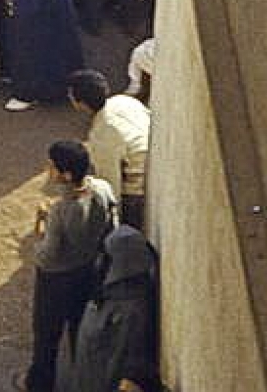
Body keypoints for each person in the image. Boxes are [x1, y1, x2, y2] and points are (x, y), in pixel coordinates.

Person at [17, 140, 117, 392]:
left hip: (56, 280)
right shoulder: (102, 189)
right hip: (88, 270)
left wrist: (40, 229)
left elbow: (47, 256)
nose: (48, 170)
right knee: (79, 330)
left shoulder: (61, 211)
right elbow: (111, 226)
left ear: (67, 175)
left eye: (53, 166)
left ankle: (39, 383)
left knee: (47, 336)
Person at [70, 225, 160, 392]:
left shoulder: (132, 310)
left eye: (107, 258)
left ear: (123, 261)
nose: (101, 262)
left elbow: (127, 367)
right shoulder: (109, 293)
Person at [68, 69, 149, 230]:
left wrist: (111, 223)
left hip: (138, 189)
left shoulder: (102, 135)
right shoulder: (124, 100)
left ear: (80, 103)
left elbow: (111, 187)